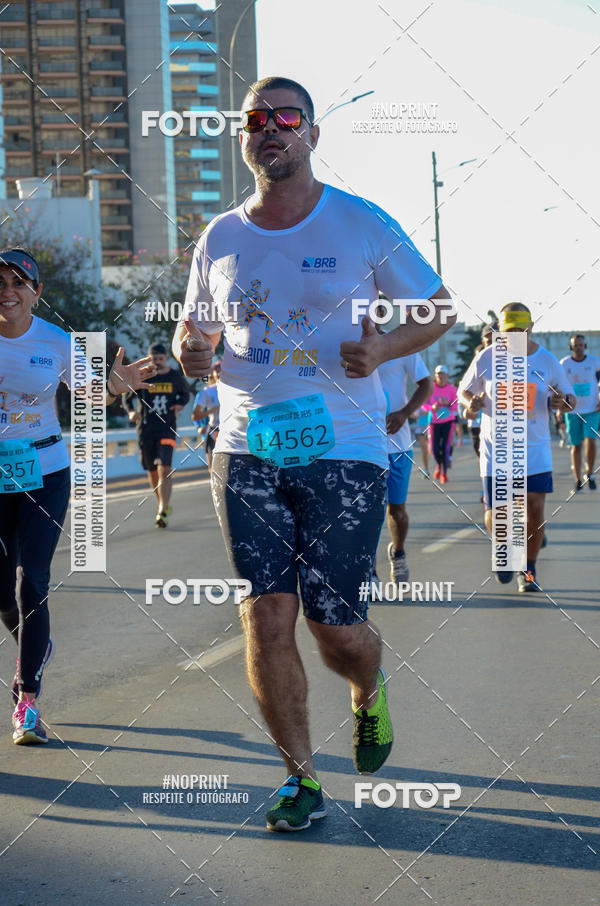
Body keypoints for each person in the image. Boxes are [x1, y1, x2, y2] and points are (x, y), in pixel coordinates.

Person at [172, 76, 455, 832]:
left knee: (335, 623)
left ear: (312, 135)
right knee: (265, 613)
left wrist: (385, 347)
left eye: (285, 118)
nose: (269, 130)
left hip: (347, 445)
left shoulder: (359, 222)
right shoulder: (221, 235)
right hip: (246, 444)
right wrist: (192, 352)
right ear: (244, 139)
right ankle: (300, 778)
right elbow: (193, 330)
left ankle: (368, 688)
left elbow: (438, 307)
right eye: (255, 121)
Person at [0, 247, 155, 744]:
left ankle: (27, 700)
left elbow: (93, 390)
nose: (8, 292)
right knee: (0, 587)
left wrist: (118, 382)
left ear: (37, 293)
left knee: (33, 580)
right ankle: (34, 645)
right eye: (0, 283)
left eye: (18, 284)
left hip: (44, 470)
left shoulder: (59, 341)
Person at [459, 302, 574, 592]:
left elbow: (569, 397)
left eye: (520, 331)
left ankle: (529, 568)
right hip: (496, 450)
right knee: (499, 515)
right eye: (508, 332)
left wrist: (564, 401)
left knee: (534, 506)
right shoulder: (487, 357)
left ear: (531, 327)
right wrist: (469, 403)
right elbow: (464, 390)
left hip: (534, 448)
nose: (514, 337)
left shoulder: (547, 361)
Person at [378, 354, 432, 582]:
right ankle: (368, 571)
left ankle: (397, 552)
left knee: (396, 510)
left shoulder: (400, 346)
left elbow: (426, 384)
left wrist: (404, 413)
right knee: (366, 513)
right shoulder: (347, 344)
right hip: (360, 446)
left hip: (397, 446)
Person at [123, 342, 190, 528]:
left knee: (164, 469)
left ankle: (162, 509)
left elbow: (186, 394)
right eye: (154, 359)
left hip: (167, 428)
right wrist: (130, 411)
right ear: (149, 359)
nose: (158, 362)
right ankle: (161, 503)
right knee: (152, 471)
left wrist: (180, 404)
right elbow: (126, 397)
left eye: (160, 359)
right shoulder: (142, 376)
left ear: (165, 358)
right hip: (146, 429)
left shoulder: (175, 376)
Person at [559, 334, 600, 491]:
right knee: (576, 446)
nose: (578, 347)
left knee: (591, 440)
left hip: (592, 409)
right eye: (575, 345)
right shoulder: (564, 364)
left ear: (585, 346)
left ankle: (590, 473)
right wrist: (560, 409)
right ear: (571, 347)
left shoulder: (594, 362)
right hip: (572, 411)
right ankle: (577, 479)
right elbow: (559, 384)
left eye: (581, 344)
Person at [423, 365, 458, 483]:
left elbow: (456, 406)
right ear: (435, 376)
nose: (441, 376)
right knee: (434, 449)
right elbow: (423, 404)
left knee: (446, 448)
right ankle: (438, 464)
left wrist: (447, 403)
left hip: (448, 421)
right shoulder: (430, 388)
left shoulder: (452, 389)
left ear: (447, 376)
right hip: (434, 422)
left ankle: (444, 473)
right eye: (438, 374)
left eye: (443, 374)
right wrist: (432, 407)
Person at [192, 361, 221, 473]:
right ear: (212, 374)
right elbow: (195, 415)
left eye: (222, 371)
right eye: (217, 371)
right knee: (212, 468)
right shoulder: (207, 392)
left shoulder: (236, 389)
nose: (219, 374)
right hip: (214, 429)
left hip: (231, 430)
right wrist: (214, 409)